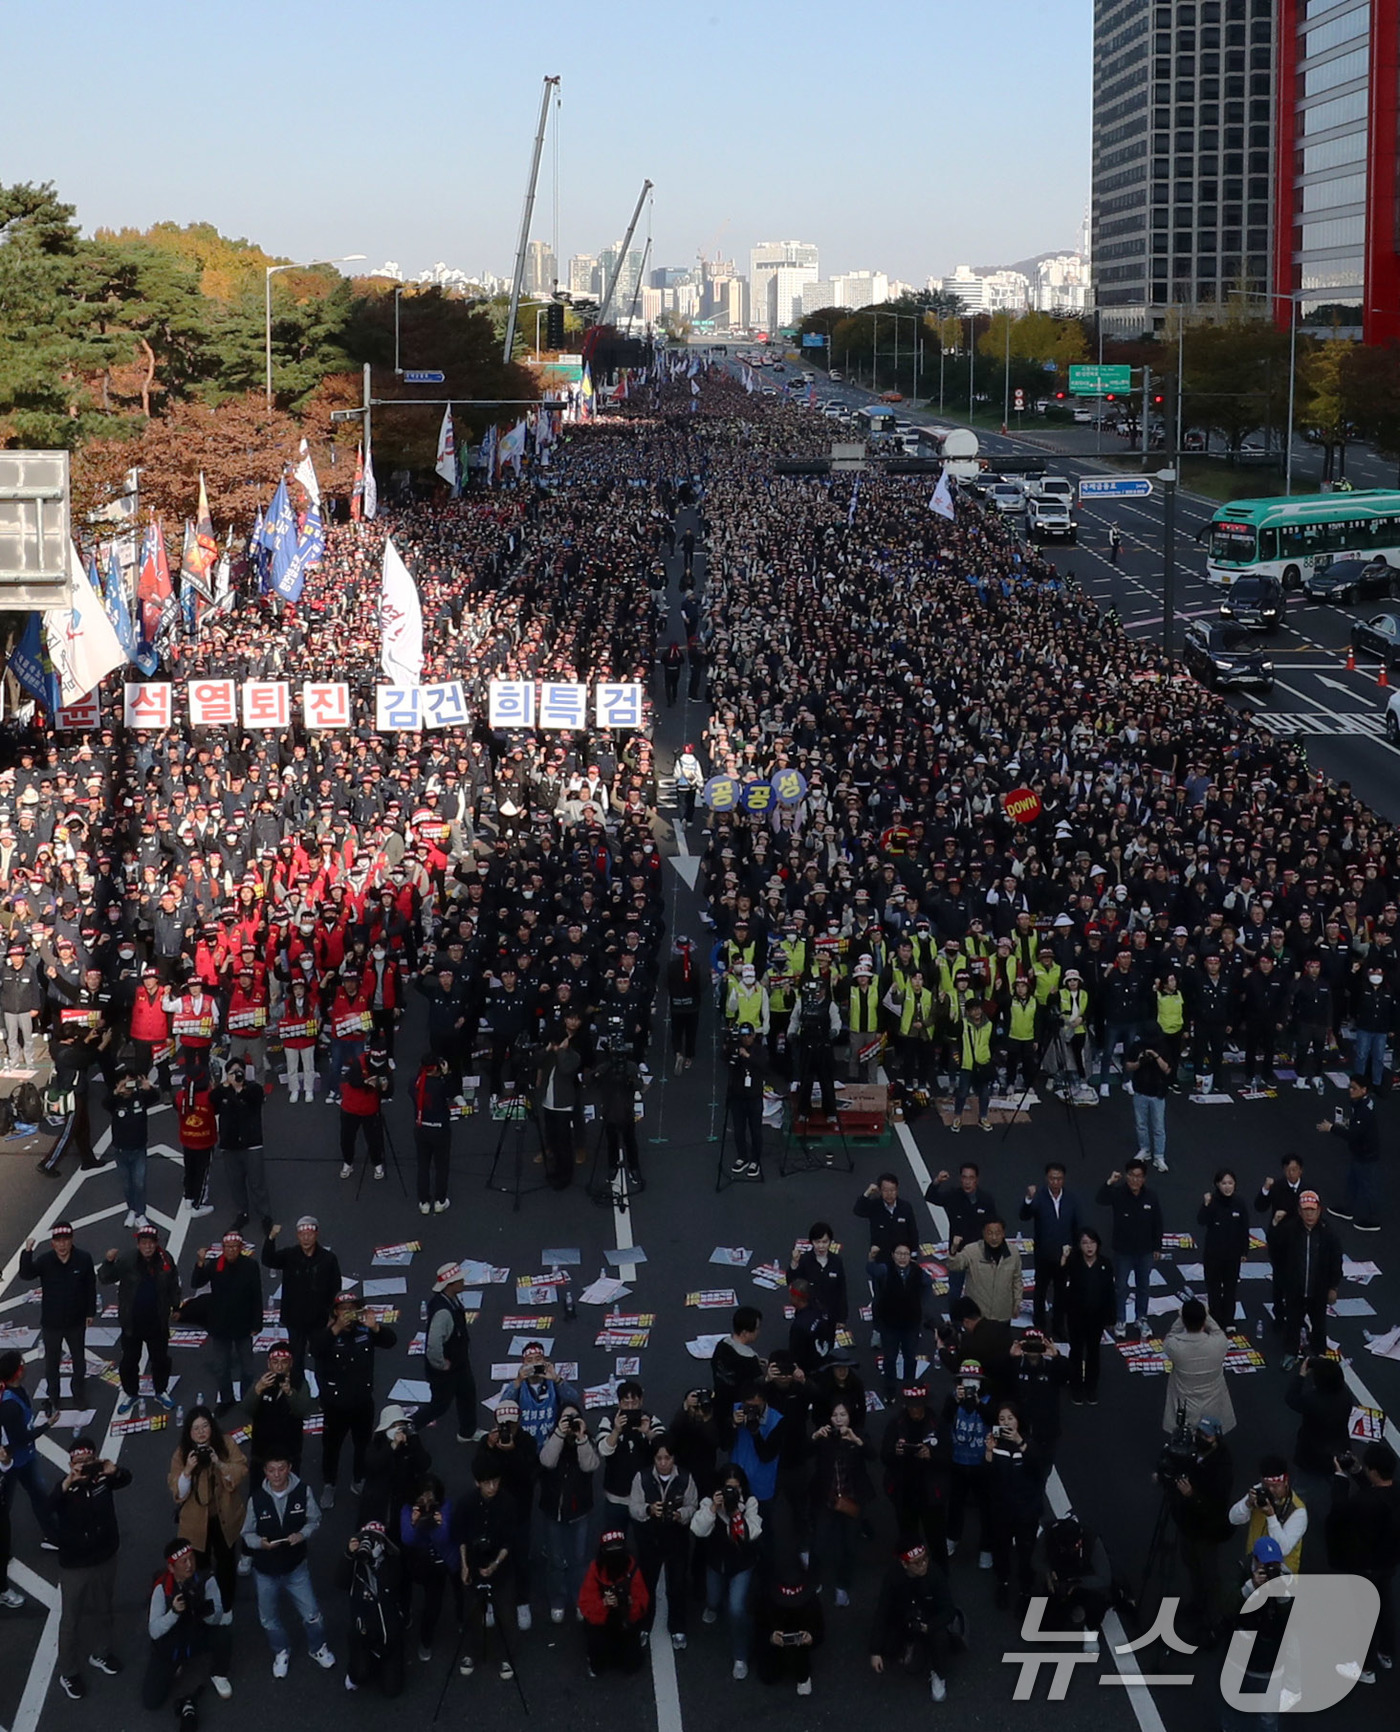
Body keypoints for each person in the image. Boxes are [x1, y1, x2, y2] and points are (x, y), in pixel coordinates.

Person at [47, 1435, 131, 1701]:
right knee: (70, 1621)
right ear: (70, 1463)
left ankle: (102, 1653)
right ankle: (68, 1671)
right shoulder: (65, 1488)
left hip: (105, 1557)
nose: (83, 1466)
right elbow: (49, 1506)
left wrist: (113, 1470)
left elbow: (127, 1479)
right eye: (78, 1462)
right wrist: (68, 1481)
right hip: (75, 1565)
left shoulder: (103, 1481)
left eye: (88, 1461)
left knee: (105, 1609)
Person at [240, 1454, 337, 1678]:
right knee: (268, 1617)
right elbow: (247, 1533)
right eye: (271, 1470)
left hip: (296, 1567)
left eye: (281, 1469)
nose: (276, 1475)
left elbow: (314, 1519)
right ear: (265, 1471)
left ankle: (318, 1648)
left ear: (289, 1468)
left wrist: (302, 1535)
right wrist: (260, 1544)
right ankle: (281, 1650)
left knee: (312, 1613)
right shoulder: (256, 1498)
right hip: (265, 1570)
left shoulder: (303, 1492)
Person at [310, 1292, 396, 1508]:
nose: (349, 1313)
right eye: (344, 1309)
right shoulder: (328, 1334)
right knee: (331, 1447)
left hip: (362, 1402)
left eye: (353, 1308)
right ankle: (329, 1484)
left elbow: (390, 1341)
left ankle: (358, 1479)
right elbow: (316, 1349)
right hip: (335, 1405)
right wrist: (337, 1328)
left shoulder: (365, 1331)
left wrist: (376, 1327)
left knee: (363, 1444)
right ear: (336, 1312)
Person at [1328, 1441, 1400, 1682]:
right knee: (1385, 1608)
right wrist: (1358, 1471)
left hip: (1365, 1566)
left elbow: (1340, 1510)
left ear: (1375, 1471)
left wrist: (1340, 1476)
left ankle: (1365, 1667)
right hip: (1389, 1562)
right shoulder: (1395, 1492)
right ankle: (1386, 1652)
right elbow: (1376, 1491)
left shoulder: (1364, 1504)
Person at [142, 1539, 233, 1722]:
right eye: (183, 1561)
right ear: (171, 1567)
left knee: (224, 1634)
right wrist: (174, 1613)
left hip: (196, 1636)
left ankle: (219, 1673)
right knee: (151, 1701)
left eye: (191, 1558)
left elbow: (218, 1616)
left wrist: (204, 1611)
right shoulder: (162, 1589)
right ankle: (176, 1665)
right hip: (171, 1646)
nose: (190, 1565)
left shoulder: (207, 1580)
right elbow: (154, 1630)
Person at [167, 1406, 249, 1612]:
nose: (202, 1432)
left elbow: (240, 1470)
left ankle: (227, 1604)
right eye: (196, 1429)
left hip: (224, 1517)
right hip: (196, 1522)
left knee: (226, 1563)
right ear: (189, 1432)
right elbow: (178, 1491)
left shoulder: (226, 1444)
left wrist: (219, 1464)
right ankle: (202, 1602)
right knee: (198, 1565)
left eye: (205, 1426)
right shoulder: (181, 1454)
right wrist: (188, 1470)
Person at [1161, 1414, 1235, 1643]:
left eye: (1206, 1435)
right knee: (1191, 1564)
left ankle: (1214, 1620)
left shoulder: (1222, 1465)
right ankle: (1197, 1603)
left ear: (1216, 1437)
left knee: (1208, 1573)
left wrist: (1192, 1496)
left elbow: (1216, 1501)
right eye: (1199, 1433)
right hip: (1188, 1522)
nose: (1201, 1438)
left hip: (1207, 1527)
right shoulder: (1194, 1453)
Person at [99, 1225, 180, 1416]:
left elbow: (174, 1284)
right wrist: (108, 1261)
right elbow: (105, 1278)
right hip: (132, 1322)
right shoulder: (127, 1259)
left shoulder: (166, 1259)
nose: (148, 1247)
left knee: (160, 1360)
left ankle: (161, 1391)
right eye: (144, 1243)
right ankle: (131, 1393)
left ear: (156, 1244)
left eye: (151, 1243)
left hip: (157, 1321)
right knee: (129, 1361)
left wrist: (176, 1306)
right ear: (138, 1244)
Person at [473, 1398, 540, 1626]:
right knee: (491, 1556)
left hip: (520, 1513)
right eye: (503, 1425)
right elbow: (479, 1471)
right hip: (494, 1515)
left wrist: (512, 1452)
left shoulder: (528, 1442)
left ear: (519, 1421)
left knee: (521, 1560)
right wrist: (489, 1448)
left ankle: (522, 1602)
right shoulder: (487, 1442)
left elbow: (529, 1476)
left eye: (511, 1424)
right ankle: (489, 1602)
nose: (507, 1429)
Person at [691, 1463, 761, 1678]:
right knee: (712, 1600)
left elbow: (753, 1533)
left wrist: (736, 1513)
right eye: (728, 1488)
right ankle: (713, 1606)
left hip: (741, 1565)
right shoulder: (708, 1502)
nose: (732, 1493)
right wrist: (714, 1509)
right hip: (716, 1563)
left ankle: (740, 1656)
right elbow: (698, 1530)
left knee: (737, 1609)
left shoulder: (749, 1503)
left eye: (736, 1488)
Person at [19, 1222, 96, 1417]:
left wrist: (90, 1313)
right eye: (58, 1241)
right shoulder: (45, 1261)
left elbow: (90, 1288)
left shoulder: (84, 1259)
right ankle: (54, 1397)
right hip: (51, 1323)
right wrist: (27, 1252)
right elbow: (26, 1274)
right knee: (51, 1363)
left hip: (76, 1322)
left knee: (79, 1360)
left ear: (72, 1240)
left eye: (66, 1240)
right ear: (52, 1243)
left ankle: (79, 1394)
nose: (62, 1245)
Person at [628, 1434, 698, 1648]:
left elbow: (692, 1506)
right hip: (650, 1540)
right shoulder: (642, 1477)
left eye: (667, 1458)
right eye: (659, 1459)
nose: (663, 1463)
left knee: (677, 1585)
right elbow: (634, 1507)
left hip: (677, 1540)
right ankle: (643, 1626)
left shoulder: (686, 1478)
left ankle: (677, 1628)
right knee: (646, 1585)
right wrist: (649, 1510)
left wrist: (680, 1515)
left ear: (673, 1458)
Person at [867, 1541, 957, 1703]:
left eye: (925, 1559)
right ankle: (908, 1643)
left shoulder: (935, 1574)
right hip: (904, 1618)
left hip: (930, 1620)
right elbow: (882, 1611)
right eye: (917, 1563)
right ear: (904, 1564)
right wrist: (875, 1651)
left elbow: (949, 1610)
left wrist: (928, 1627)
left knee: (941, 1638)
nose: (923, 1565)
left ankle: (938, 1674)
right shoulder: (893, 1577)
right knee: (888, 1648)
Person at [452, 1462, 517, 1681]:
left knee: (506, 1613)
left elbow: (511, 1540)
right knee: (472, 1612)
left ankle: (506, 1655)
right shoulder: (465, 1504)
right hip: (473, 1562)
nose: (492, 1487)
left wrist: (496, 1564)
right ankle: (471, 1651)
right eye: (487, 1483)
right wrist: (464, 1565)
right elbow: (460, 1537)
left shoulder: (508, 1503)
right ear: (477, 1483)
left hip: (501, 1564)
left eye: (496, 1482)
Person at [808, 1400, 875, 1608]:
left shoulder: (858, 1436)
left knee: (849, 1546)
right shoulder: (824, 1437)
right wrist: (814, 1438)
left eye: (843, 1415)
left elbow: (873, 1455)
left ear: (849, 1418)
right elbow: (804, 1454)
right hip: (827, 1500)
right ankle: (814, 1580)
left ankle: (842, 1586)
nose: (839, 1419)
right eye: (835, 1415)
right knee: (818, 1544)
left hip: (851, 1499)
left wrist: (855, 1440)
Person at [260, 1218, 341, 1388]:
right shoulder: (290, 1255)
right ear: (297, 1235)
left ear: (316, 1234)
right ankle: (297, 1394)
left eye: (309, 1234)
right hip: (294, 1320)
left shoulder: (328, 1259)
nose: (306, 1238)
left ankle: (325, 1394)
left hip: (319, 1320)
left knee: (322, 1357)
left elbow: (336, 1287)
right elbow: (268, 1260)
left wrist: (332, 1315)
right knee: (296, 1360)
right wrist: (271, 1237)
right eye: (302, 1234)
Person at [982, 1402, 1047, 1611]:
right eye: (1002, 1419)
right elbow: (987, 1477)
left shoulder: (1029, 1442)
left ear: (1018, 1420)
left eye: (1010, 1418)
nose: (1006, 1423)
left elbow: (1038, 1468)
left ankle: (1026, 1589)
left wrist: (1020, 1442)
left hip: (1026, 1511)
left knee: (1025, 1550)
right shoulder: (996, 1446)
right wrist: (989, 1452)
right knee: (1001, 1548)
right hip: (1002, 1510)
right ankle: (1003, 1582)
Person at [539, 1401, 599, 1621]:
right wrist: (559, 1434)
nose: (571, 1422)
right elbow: (547, 1461)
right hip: (553, 1511)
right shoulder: (552, 1438)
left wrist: (581, 1438)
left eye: (574, 1417)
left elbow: (590, 1466)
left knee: (579, 1560)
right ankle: (557, 1599)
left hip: (579, 1512)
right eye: (566, 1418)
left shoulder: (587, 1440)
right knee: (556, 1560)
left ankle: (580, 1599)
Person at [191, 1231, 262, 1414]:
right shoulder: (215, 1265)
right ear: (222, 1249)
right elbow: (196, 1282)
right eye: (227, 1247)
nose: (231, 1251)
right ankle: (227, 1399)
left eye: (235, 1247)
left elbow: (257, 1295)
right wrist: (200, 1262)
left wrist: (257, 1323)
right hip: (220, 1326)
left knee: (248, 1369)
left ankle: (247, 1399)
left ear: (241, 1249)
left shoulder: (250, 1266)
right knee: (221, 1368)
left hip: (243, 1325)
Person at [1274, 1191, 1343, 1370]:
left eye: (1312, 1210)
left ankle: (1319, 1355)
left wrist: (1333, 1287)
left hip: (1318, 1290)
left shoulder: (1329, 1233)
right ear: (1299, 1211)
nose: (1309, 1214)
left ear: (1319, 1210)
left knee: (1319, 1324)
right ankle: (1291, 1352)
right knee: (1293, 1323)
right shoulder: (1289, 1230)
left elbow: (1336, 1262)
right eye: (1305, 1210)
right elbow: (1276, 1253)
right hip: (1294, 1289)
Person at [880, 1385, 950, 1558]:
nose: (915, 1411)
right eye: (911, 1407)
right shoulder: (895, 1424)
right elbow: (884, 1456)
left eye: (918, 1406)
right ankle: (909, 1575)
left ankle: (940, 1576)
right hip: (904, 1492)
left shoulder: (938, 1423)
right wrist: (895, 1452)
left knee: (936, 1539)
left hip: (931, 1492)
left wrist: (931, 1455)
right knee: (908, 1540)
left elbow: (948, 1457)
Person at [1096, 1160, 1163, 1337]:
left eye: (1139, 1176)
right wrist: (1110, 1182)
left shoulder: (1151, 1196)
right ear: (1126, 1177)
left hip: (1145, 1251)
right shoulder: (1118, 1194)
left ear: (1144, 1179)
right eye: (1132, 1176)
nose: (1135, 1180)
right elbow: (1100, 1199)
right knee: (1120, 1286)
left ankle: (1141, 1318)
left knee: (1144, 1286)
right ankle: (1120, 1319)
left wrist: (1157, 1247)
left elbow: (1158, 1223)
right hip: (1123, 1251)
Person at [398, 1475, 461, 1665]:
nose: (426, 1505)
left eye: (431, 1500)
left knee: (434, 1606)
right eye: (422, 1500)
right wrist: (415, 1524)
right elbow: (407, 1539)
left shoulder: (446, 1507)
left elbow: (444, 1538)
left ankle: (427, 1639)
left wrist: (436, 1525)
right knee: (404, 1587)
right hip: (417, 1562)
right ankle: (406, 1612)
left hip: (440, 1563)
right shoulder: (407, 1510)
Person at [413, 1262, 477, 1442]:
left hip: (460, 1364)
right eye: (459, 1280)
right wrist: (441, 1364)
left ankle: (467, 1432)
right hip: (446, 1371)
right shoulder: (443, 1312)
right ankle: (410, 1426)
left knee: (468, 1394)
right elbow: (433, 1345)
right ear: (450, 1285)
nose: (463, 1281)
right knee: (439, 1405)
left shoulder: (450, 1301)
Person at [340, 1518, 404, 1696]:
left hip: (389, 1634)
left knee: (392, 1691)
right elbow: (339, 1582)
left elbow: (395, 1583)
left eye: (374, 1539)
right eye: (365, 1539)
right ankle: (364, 1663)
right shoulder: (354, 1565)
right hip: (363, 1634)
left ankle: (386, 1663)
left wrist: (378, 1561)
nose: (368, 1543)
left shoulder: (392, 1563)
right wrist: (349, 1555)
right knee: (358, 1676)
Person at [1019, 1164, 1081, 1337]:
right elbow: (1024, 1216)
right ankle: (1039, 1322)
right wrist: (1028, 1199)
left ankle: (1058, 1325)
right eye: (1053, 1178)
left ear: (1063, 1179)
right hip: (1043, 1255)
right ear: (1047, 1178)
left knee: (1061, 1292)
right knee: (1040, 1290)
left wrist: (1075, 1249)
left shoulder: (1071, 1199)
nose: (1056, 1182)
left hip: (1064, 1255)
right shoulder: (1038, 1197)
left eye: (1059, 1178)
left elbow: (1077, 1225)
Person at [209, 1061, 271, 1237]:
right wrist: (224, 1086)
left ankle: (265, 1215)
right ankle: (242, 1213)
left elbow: (254, 1100)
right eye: (232, 1072)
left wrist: (239, 1089)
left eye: (239, 1071)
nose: (237, 1075)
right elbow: (211, 1102)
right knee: (236, 1183)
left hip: (252, 1144)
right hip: (230, 1145)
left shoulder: (254, 1089)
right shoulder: (222, 1092)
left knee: (257, 1183)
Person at [579, 1528, 649, 1677]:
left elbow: (642, 1600)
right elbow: (585, 1605)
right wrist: (603, 1603)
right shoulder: (595, 1571)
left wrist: (630, 1606)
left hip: (625, 1620)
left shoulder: (632, 1568)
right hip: (602, 1623)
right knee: (598, 1660)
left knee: (632, 1665)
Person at [1318, 1073, 1382, 1231]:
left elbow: (1352, 1135)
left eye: (1354, 1088)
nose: (1350, 1091)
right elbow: (1358, 1127)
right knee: (1352, 1182)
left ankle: (1373, 1220)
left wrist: (1331, 1128)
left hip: (1366, 1154)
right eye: (1350, 1087)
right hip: (1361, 1151)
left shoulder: (1363, 1111)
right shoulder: (1362, 1104)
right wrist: (1349, 1123)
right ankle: (1347, 1209)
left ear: (1364, 1090)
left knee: (1368, 1187)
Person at [1163, 1299, 1236, 1434]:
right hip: (1213, 1403)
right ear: (1204, 1321)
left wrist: (1181, 1316)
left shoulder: (1175, 1346)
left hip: (1184, 1405)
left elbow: (1171, 1334)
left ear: (1184, 1321)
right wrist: (1205, 1314)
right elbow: (1217, 1330)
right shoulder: (1219, 1343)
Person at [244, 1341, 314, 1481]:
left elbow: (303, 1410)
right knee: (258, 1488)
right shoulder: (261, 1382)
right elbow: (246, 1409)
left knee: (290, 1488)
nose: (279, 1367)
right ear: (268, 1364)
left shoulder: (300, 1383)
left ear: (291, 1363)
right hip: (262, 1449)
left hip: (290, 1449)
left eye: (284, 1362)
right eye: (275, 1362)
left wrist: (290, 1393)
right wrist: (257, 1390)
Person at [871, 1243, 932, 1400]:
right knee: (890, 1359)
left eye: (906, 1254)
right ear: (892, 1255)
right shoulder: (885, 1269)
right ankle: (890, 1390)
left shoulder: (918, 1271)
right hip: (889, 1324)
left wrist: (920, 1305)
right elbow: (872, 1271)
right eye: (899, 1253)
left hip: (910, 1325)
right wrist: (871, 1259)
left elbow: (928, 1285)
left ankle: (909, 1388)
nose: (902, 1257)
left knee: (910, 1359)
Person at [1061, 1229, 1116, 1405]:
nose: (1089, 1246)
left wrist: (1111, 1318)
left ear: (1098, 1244)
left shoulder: (1105, 1263)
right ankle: (1076, 1387)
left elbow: (1110, 1292)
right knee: (1076, 1352)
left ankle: (1091, 1387)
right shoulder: (1073, 1262)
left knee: (1093, 1352)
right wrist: (1063, 1260)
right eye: (1085, 1243)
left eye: (1092, 1242)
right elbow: (1062, 1284)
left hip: (1097, 1318)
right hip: (1076, 1317)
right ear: (1079, 1246)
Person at [1228, 1457, 1308, 1576]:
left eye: (1275, 1487)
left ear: (1285, 1482)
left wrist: (1271, 1517)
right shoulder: (1259, 1492)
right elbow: (1233, 1519)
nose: (1271, 1491)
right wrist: (1247, 1504)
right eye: (1267, 1486)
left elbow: (1283, 1549)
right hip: (1255, 1567)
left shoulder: (1297, 1511)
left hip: (1281, 1573)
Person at [100, 1070, 160, 1226]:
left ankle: (140, 1213)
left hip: (139, 1149)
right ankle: (132, 1209)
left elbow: (155, 1097)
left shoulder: (139, 1098)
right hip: (120, 1151)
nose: (128, 1087)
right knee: (127, 1184)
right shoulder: (115, 1102)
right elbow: (105, 1103)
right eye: (125, 1083)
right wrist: (116, 1092)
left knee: (139, 1183)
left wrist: (148, 1088)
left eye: (131, 1083)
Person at [358, 1402, 429, 1534]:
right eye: (394, 1425)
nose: (398, 1429)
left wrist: (414, 1444)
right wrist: (392, 1446)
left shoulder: (411, 1441)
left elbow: (424, 1464)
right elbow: (372, 1465)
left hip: (404, 1495)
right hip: (379, 1499)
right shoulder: (376, 1445)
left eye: (401, 1425)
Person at [754, 1573, 823, 1696]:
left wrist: (811, 1637)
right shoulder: (767, 1598)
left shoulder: (810, 1600)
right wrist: (771, 1638)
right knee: (768, 1676)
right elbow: (759, 1626)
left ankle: (802, 1673)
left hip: (799, 1635)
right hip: (775, 1633)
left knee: (799, 1660)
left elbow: (819, 1628)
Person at [1197, 1170, 1250, 1332]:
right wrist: (1205, 1205)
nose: (1227, 1187)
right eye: (1224, 1183)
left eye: (1230, 1183)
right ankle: (1215, 1320)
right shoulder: (1212, 1201)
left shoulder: (1239, 1203)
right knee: (1213, 1289)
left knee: (1230, 1289)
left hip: (1232, 1256)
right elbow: (1201, 1220)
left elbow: (1244, 1228)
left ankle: (1229, 1321)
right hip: (1213, 1255)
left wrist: (1244, 1251)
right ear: (1217, 1185)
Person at [1283, 1355, 1352, 1477]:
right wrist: (1328, 1366)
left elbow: (1291, 1398)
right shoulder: (1345, 1395)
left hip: (1312, 1455)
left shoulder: (1312, 1401)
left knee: (1304, 1488)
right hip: (1339, 1447)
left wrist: (1301, 1375)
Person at [946, 1218, 1023, 1325]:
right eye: (990, 1233)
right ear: (983, 1233)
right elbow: (955, 1265)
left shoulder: (1013, 1253)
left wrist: (1017, 1302)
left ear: (1003, 1234)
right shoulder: (972, 1251)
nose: (994, 1237)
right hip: (977, 1316)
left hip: (1002, 1315)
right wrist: (953, 1251)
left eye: (998, 1233)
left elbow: (1017, 1279)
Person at [535, 1022, 582, 1192]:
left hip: (563, 1105)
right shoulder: (550, 1054)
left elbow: (565, 1069)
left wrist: (562, 1050)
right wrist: (547, 1049)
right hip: (548, 1103)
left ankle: (565, 1174)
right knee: (553, 1140)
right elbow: (536, 1060)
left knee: (563, 1142)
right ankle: (555, 1170)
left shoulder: (573, 1056)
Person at [411, 1050, 455, 1213]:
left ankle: (424, 1202)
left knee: (423, 1166)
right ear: (436, 1068)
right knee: (441, 1166)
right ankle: (440, 1201)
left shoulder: (414, 1084)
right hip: (440, 1130)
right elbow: (452, 1092)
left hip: (421, 1128)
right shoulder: (440, 1085)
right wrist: (446, 1074)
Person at [1124, 1032, 1171, 1172]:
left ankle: (1159, 1156)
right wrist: (1139, 1062)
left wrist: (1155, 1056)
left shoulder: (1164, 1047)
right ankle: (1145, 1149)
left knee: (1158, 1127)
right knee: (1141, 1124)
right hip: (1140, 1091)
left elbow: (1167, 1069)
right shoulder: (1136, 1047)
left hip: (1157, 1093)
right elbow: (1128, 1066)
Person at [725, 1021, 766, 1178]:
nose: (746, 1038)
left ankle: (755, 1159)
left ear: (753, 1035)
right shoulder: (735, 1049)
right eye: (743, 1036)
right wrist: (731, 1046)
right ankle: (742, 1156)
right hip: (738, 1097)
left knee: (755, 1130)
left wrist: (747, 1056)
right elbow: (726, 1058)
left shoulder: (760, 1050)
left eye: (748, 1035)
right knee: (739, 1130)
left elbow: (763, 1066)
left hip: (754, 1098)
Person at [789, 1222, 848, 1325]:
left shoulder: (836, 1261)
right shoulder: (804, 1260)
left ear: (830, 1242)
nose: (821, 1246)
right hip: (807, 1313)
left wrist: (841, 1318)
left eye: (825, 1242)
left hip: (829, 1315)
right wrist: (794, 1263)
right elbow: (791, 1282)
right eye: (817, 1242)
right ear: (811, 1242)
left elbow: (841, 1291)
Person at [951, 998, 996, 1130]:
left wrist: (988, 1059)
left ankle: (983, 1117)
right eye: (973, 1010)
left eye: (978, 1008)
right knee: (962, 1092)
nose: (976, 1012)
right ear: (968, 1012)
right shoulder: (962, 1024)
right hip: (967, 1065)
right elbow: (952, 1038)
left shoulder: (989, 1025)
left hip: (983, 1065)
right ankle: (957, 1116)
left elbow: (993, 1044)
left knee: (984, 1093)